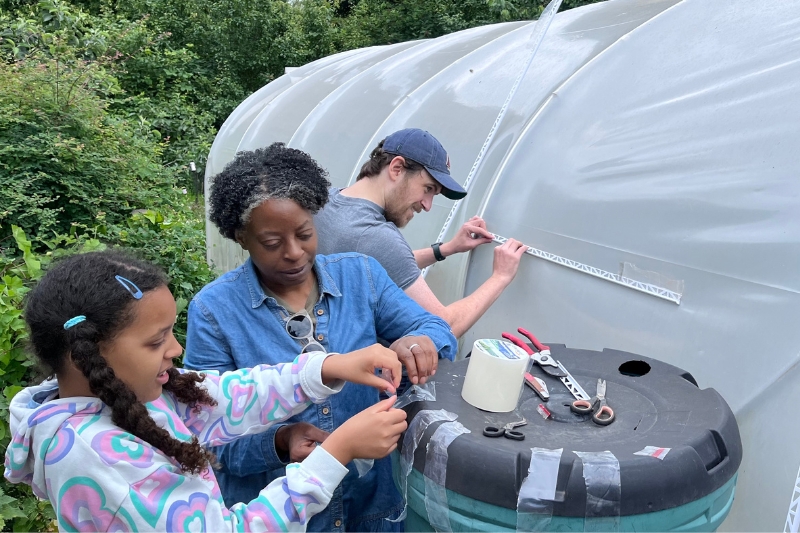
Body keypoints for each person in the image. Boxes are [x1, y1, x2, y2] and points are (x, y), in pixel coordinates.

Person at [4, 250, 408, 532]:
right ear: (84, 355)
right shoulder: (96, 458)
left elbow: (226, 396)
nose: (176, 350)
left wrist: (326, 366)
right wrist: (337, 453)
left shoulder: (126, 394)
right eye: (156, 341)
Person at [184, 143, 457, 532]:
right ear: (241, 238)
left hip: (370, 509)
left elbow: (438, 331)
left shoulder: (361, 276)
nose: (295, 253)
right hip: (281, 516)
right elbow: (205, 435)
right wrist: (279, 441)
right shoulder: (214, 312)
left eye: (305, 234)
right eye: (272, 243)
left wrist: (418, 341)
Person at [315, 128, 528, 339]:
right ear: (397, 168)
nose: (427, 206)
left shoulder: (326, 200)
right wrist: (500, 276)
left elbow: (383, 264)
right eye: (427, 188)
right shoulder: (377, 236)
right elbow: (444, 325)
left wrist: (446, 249)